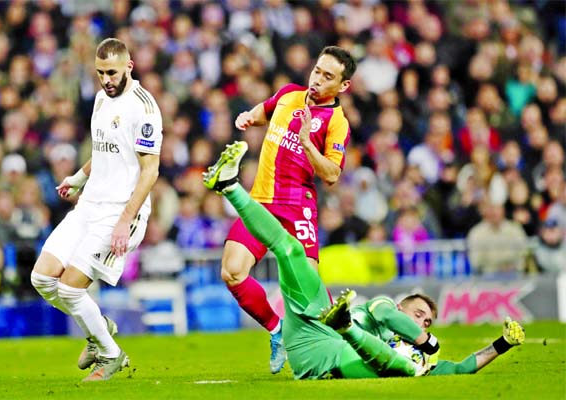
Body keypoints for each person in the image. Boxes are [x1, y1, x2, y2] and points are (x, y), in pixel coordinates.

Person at [203, 141, 525, 379]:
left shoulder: (416, 356)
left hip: (320, 359)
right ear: (402, 308)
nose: (421, 322)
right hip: (314, 326)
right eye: (418, 314)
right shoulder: (385, 310)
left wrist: (502, 344)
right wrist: (426, 340)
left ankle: (345, 330)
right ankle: (230, 187)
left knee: (408, 369)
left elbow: (462, 368)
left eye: (426, 322)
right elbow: (388, 315)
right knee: (289, 249)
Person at [30, 38, 162, 382]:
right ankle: (99, 327)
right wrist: (77, 178)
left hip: (120, 213)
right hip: (89, 206)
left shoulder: (144, 108)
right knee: (42, 278)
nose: (106, 79)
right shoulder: (102, 99)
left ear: (129, 67)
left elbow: (150, 171)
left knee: (72, 289)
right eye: (101, 72)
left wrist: (124, 221)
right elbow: (106, 152)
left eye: (113, 72)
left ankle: (111, 354)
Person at [223, 45, 356, 373]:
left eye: (328, 77)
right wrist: (249, 117)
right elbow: (263, 110)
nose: (318, 80)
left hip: (297, 206)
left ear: (343, 86)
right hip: (261, 201)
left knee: (308, 289)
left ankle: (350, 344)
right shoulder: (288, 95)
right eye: (317, 71)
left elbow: (332, 175)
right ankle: (276, 330)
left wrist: (307, 141)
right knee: (232, 271)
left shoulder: (337, 123)